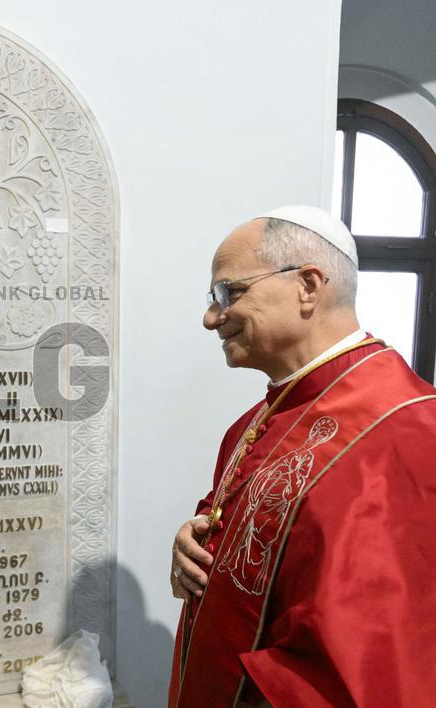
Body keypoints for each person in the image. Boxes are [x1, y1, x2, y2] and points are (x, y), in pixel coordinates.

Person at [168, 205, 436, 707]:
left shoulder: (409, 429)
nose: (211, 318)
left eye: (230, 293)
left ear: (308, 285)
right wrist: (199, 540)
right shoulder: (250, 425)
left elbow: (379, 661)